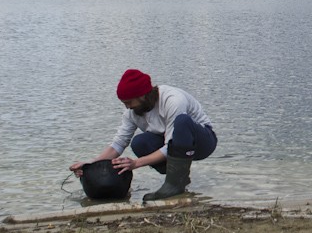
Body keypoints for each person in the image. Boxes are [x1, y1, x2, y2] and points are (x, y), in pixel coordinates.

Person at [70, 69, 217, 201]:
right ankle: (180, 179)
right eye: (124, 103)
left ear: (143, 95)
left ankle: (173, 184)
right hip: (173, 146)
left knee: (182, 121)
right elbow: (118, 144)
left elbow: (170, 145)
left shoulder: (173, 100)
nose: (127, 107)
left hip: (202, 142)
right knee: (139, 142)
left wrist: (136, 164)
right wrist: (91, 164)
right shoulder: (131, 112)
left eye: (129, 102)